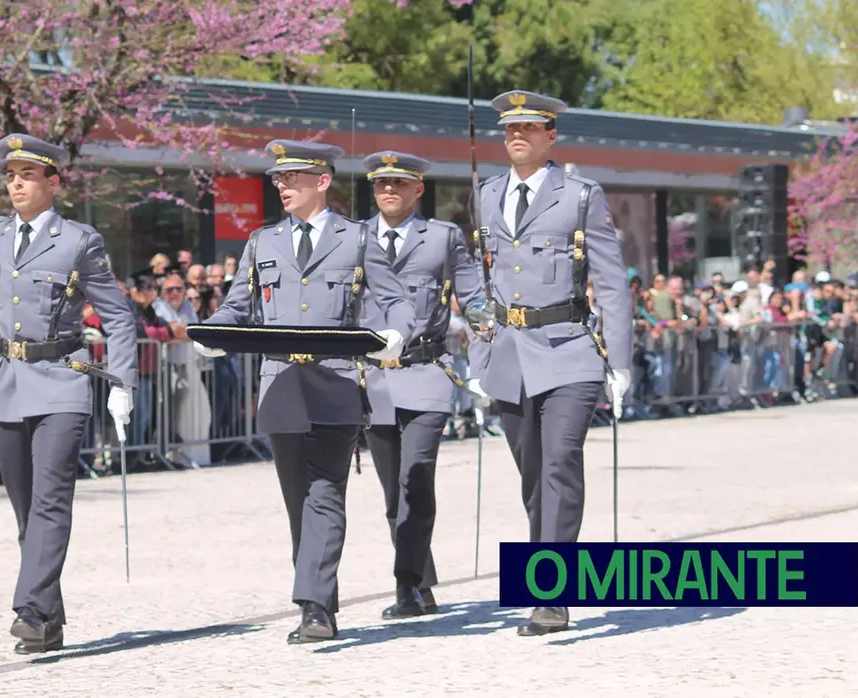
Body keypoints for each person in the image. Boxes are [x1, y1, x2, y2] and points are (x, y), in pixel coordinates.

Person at [194, 139, 414, 644]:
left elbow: (397, 301)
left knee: (324, 493)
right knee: (299, 501)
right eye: (277, 179)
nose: (282, 187)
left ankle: (314, 607)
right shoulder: (261, 242)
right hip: (281, 388)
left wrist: (395, 336)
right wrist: (213, 334)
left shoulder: (357, 239)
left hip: (336, 382)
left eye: (292, 178)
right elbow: (237, 306)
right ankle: (321, 596)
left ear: (322, 181)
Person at [464, 90, 633, 636]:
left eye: (530, 126)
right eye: (510, 127)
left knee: (560, 462)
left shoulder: (581, 195)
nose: (518, 135)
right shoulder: (486, 195)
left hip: (568, 350)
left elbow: (610, 281)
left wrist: (622, 360)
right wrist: (476, 350)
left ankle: (552, 595)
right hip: (509, 355)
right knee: (533, 476)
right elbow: (480, 284)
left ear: (550, 134)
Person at [0, 133, 136, 654]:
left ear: (53, 181)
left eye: (27, 175)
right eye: (10, 176)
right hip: (8, 383)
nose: (15, 184)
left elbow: (117, 316)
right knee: (25, 511)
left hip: (62, 380)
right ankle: (50, 620)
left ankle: (30, 608)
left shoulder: (78, 240)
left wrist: (122, 382)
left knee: (49, 500)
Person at [358, 150, 482, 619]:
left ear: (417, 189)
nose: (388, 191)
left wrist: (491, 349)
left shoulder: (444, 237)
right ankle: (422, 581)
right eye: (381, 184)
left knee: (416, 479)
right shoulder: (355, 237)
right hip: (373, 378)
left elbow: (472, 298)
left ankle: (407, 585)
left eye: (398, 184)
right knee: (393, 489)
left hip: (426, 370)